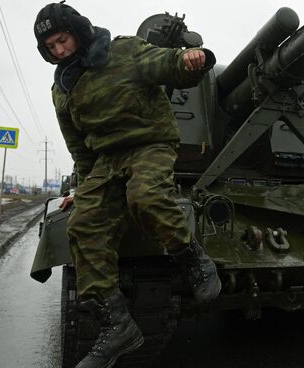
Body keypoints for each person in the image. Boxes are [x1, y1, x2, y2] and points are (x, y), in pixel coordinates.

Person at [34, 2, 221, 367]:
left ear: (77, 30)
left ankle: (192, 257)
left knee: (147, 197)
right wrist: (82, 191)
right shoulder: (63, 89)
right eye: (51, 47)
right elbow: (79, 148)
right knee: (84, 225)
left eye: (62, 39)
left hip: (149, 143)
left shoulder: (121, 50)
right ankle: (116, 324)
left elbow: (167, 65)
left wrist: (192, 59)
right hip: (106, 161)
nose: (59, 50)